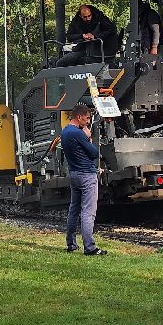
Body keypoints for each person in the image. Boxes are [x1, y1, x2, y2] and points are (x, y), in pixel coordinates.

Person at [60, 102, 106, 256]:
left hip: (74, 174)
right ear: (78, 117)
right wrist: (89, 137)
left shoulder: (65, 131)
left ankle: (71, 244)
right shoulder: (79, 134)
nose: (88, 122)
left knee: (74, 210)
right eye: (86, 119)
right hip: (87, 175)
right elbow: (94, 153)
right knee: (88, 212)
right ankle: (90, 247)